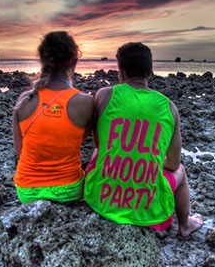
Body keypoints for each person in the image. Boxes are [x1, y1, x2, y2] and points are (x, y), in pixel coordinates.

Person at [84, 42, 203, 237]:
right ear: (150, 72)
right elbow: (173, 164)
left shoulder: (104, 96)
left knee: (100, 150)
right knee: (181, 170)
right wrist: (150, 160)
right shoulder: (169, 107)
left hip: (102, 200)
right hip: (148, 208)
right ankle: (185, 224)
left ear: (121, 72)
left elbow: (98, 145)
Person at [12, 31, 94, 204]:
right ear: (75, 62)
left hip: (27, 192)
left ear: (42, 60)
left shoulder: (25, 99)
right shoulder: (85, 102)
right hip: (69, 190)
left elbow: (20, 151)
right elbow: (82, 140)